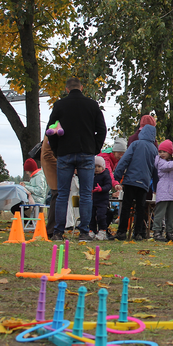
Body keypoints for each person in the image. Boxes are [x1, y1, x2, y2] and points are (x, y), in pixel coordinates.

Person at [47, 77, 107, 242]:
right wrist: (94, 148)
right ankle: (83, 232)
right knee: (86, 194)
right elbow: (102, 129)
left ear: (67, 89)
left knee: (62, 194)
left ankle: (58, 232)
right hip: (86, 153)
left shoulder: (60, 105)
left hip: (65, 153)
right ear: (81, 88)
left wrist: (56, 150)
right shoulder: (92, 105)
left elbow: (51, 130)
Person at [113, 124, 158, 241]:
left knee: (126, 207)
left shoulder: (135, 144)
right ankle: (138, 233)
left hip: (130, 181)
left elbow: (125, 160)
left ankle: (122, 232)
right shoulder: (154, 150)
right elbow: (155, 169)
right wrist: (156, 186)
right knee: (140, 208)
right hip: (144, 183)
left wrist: (117, 175)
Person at [90, 155, 112, 241]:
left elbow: (108, 186)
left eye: (99, 166)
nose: (96, 169)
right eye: (95, 166)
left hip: (102, 200)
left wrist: (101, 189)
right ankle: (92, 230)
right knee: (91, 216)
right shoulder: (91, 176)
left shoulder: (105, 175)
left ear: (102, 167)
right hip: (93, 200)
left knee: (101, 215)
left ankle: (102, 230)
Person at [40, 136, 58, 238]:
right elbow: (47, 154)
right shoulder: (53, 131)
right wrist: (64, 165)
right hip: (54, 169)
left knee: (56, 197)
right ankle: (51, 229)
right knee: (56, 196)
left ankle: (53, 228)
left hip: (55, 168)